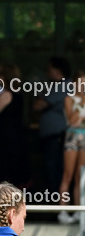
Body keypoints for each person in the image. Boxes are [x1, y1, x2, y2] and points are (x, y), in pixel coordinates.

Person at [34, 57, 70, 205]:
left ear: (58, 70)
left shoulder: (63, 86)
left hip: (58, 139)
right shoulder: (56, 86)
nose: (47, 73)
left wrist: (39, 95)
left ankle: (58, 208)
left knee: (55, 173)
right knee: (53, 173)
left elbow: (38, 105)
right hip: (53, 139)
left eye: (49, 69)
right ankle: (57, 207)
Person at [0, 65, 29, 187]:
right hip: (16, 140)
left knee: (5, 175)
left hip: (6, 141)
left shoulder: (7, 95)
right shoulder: (19, 94)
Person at [58, 70, 85, 224]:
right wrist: (81, 101)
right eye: (81, 83)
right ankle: (63, 211)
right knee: (68, 174)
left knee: (80, 176)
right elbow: (72, 120)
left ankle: (78, 211)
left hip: (84, 136)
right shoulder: (69, 99)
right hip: (72, 137)